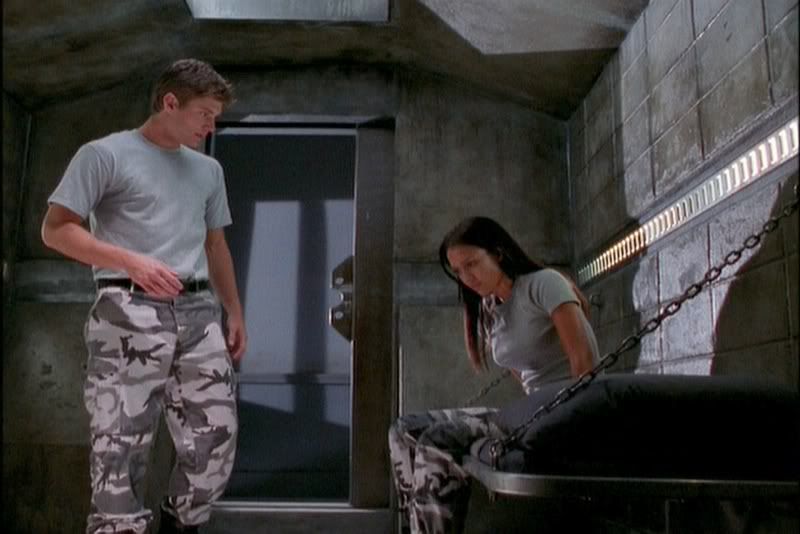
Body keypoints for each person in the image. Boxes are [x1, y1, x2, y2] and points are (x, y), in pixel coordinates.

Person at [41, 59, 247, 534]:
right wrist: (131, 261)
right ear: (170, 102)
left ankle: (182, 523)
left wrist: (234, 310)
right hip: (126, 310)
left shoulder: (208, 170)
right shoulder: (104, 155)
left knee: (216, 437)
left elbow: (215, 245)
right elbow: (55, 230)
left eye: (215, 117)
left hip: (198, 314)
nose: (211, 126)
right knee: (119, 446)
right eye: (204, 114)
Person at [388, 216, 600, 534]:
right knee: (404, 430)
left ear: (498, 253)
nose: (466, 277)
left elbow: (585, 361)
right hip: (529, 410)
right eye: (458, 271)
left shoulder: (545, 283)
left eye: (472, 263)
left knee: (438, 439)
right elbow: (521, 373)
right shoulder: (491, 307)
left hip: (560, 410)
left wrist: (567, 422)